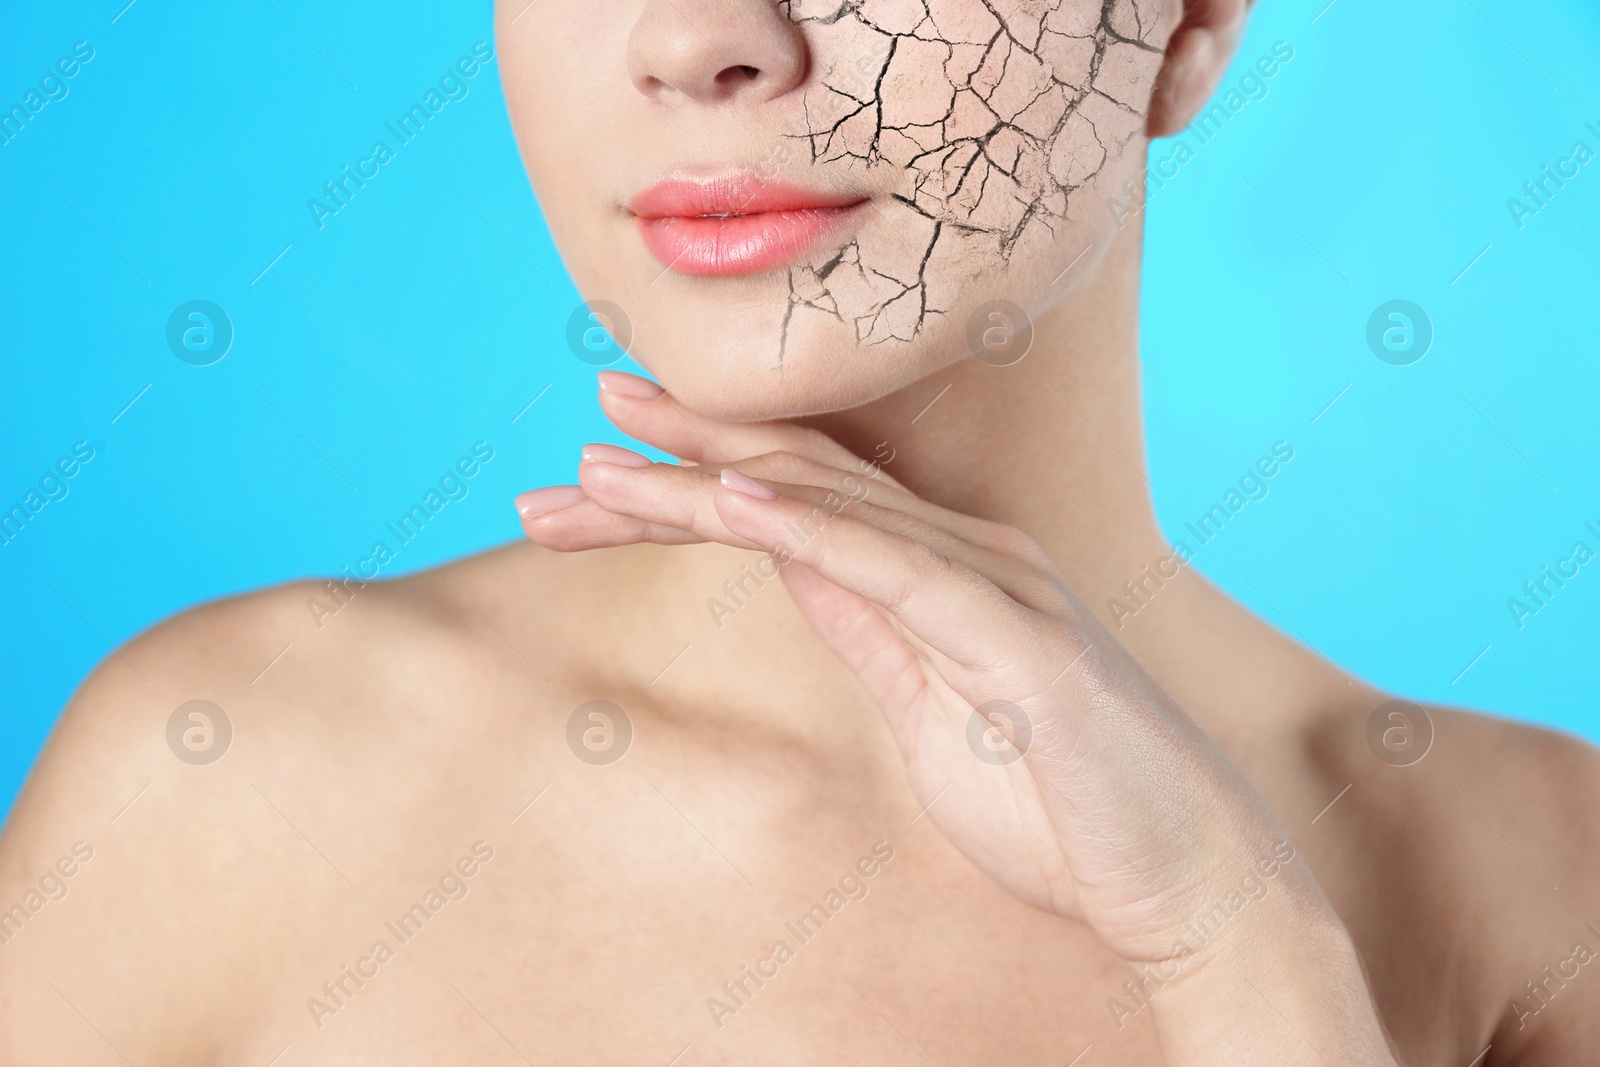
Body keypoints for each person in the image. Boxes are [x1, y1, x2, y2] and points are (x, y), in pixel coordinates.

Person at [2, 0, 1596, 1062]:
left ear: (1184, 25)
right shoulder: (221, 781)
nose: (700, 40)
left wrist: (1244, 953)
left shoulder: (1539, 886)